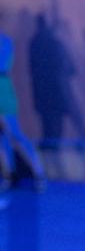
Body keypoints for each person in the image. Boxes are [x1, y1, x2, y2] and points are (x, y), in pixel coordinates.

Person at [0, 32, 46, 190]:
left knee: (13, 132)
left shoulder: (5, 41)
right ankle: (10, 174)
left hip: (3, 91)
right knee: (2, 137)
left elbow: (3, 65)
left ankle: (39, 172)